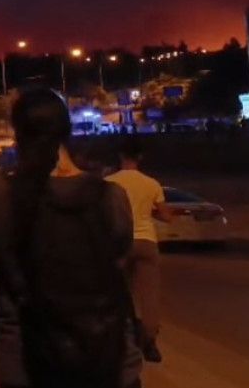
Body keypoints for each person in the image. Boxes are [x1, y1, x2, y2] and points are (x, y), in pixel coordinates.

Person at [0, 87, 141, 388]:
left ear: (18, 135)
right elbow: (121, 263)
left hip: (29, 365)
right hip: (109, 361)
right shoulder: (111, 197)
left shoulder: (0, 196)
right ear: (68, 131)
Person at [107, 139, 173, 364]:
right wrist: (148, 212)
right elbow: (166, 216)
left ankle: (122, 337)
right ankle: (149, 341)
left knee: (119, 291)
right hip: (147, 242)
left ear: (120, 156)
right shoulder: (152, 184)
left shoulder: (110, 183)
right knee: (149, 295)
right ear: (140, 157)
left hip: (120, 242)